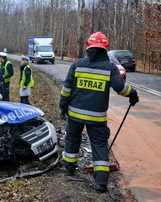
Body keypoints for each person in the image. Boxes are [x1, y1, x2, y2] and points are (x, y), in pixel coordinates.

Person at [59, 32, 139, 192]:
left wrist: (63, 107)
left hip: (74, 114)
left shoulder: (77, 65)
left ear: (88, 48)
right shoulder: (110, 68)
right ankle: (101, 183)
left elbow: (66, 89)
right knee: (99, 145)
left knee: (72, 140)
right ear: (105, 50)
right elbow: (121, 88)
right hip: (97, 117)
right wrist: (133, 93)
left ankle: (69, 169)